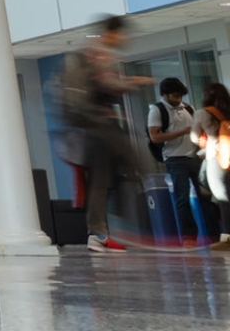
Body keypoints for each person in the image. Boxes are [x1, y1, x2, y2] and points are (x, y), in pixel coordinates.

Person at [61, 15, 155, 253]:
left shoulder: (94, 54)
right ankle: (109, 228)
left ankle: (99, 233)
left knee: (101, 180)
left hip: (94, 127)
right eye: (122, 34)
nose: (124, 39)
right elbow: (108, 85)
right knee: (136, 163)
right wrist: (133, 82)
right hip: (97, 127)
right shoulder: (98, 54)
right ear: (112, 33)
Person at [150, 78, 208, 246]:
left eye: (180, 96)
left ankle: (214, 234)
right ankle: (189, 237)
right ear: (164, 94)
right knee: (182, 198)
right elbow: (155, 136)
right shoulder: (157, 110)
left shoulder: (189, 108)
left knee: (206, 197)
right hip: (175, 159)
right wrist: (182, 132)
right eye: (175, 96)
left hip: (195, 157)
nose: (178, 99)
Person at [190, 83, 230, 251]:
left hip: (218, 158)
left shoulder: (202, 113)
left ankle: (227, 238)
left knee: (223, 199)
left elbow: (194, 137)